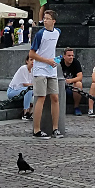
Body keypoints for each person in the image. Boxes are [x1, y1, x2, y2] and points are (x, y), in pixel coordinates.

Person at [30, 10, 63, 139]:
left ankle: (55, 128)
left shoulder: (57, 32)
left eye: (48, 18)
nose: (45, 20)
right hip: (40, 69)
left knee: (55, 97)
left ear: (53, 21)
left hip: (51, 69)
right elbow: (32, 54)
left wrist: (53, 61)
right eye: (44, 18)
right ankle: (36, 129)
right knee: (41, 97)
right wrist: (46, 60)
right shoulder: (40, 34)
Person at [7, 52, 34, 120]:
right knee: (29, 90)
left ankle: (31, 111)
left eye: (34, 60)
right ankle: (25, 113)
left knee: (34, 91)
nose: (33, 62)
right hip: (13, 91)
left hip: (22, 91)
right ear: (27, 61)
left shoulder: (33, 71)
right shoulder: (23, 68)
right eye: (31, 60)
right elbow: (25, 84)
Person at [58, 47, 83, 116]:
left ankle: (76, 107)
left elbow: (80, 76)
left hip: (72, 86)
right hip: (60, 85)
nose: (71, 57)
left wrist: (70, 80)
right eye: (69, 56)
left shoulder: (76, 63)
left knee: (79, 84)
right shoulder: (59, 63)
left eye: (72, 55)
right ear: (64, 56)